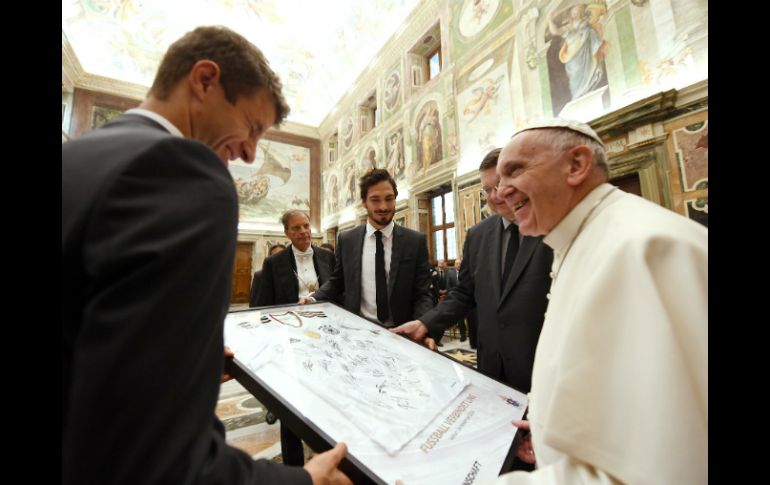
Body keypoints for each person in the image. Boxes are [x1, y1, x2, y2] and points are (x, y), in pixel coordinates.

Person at [63, 25, 351, 485]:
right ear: (204, 80)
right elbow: (164, 459)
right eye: (253, 128)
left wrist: (181, 356)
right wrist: (304, 480)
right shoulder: (184, 174)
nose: (250, 153)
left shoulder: (79, 157)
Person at [493, 118, 707, 484]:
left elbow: (664, 466)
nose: (501, 193)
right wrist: (548, 431)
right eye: (498, 181)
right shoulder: (581, 238)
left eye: (514, 171)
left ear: (576, 165)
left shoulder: (641, 248)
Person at [391, 147, 553, 472]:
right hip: (493, 372)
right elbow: (464, 292)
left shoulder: (551, 226)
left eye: (500, 186)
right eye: (487, 190)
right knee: (503, 459)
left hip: (544, 372)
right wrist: (426, 323)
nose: (495, 196)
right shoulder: (479, 236)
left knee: (547, 462)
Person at [301, 169, 433, 328]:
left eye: (389, 199)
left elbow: (422, 294)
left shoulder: (415, 241)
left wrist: (422, 326)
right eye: (375, 200)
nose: (383, 206)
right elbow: (337, 281)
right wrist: (314, 298)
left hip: (401, 332)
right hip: (358, 330)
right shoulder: (347, 239)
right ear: (364, 202)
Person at [255, 210, 336, 466]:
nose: (303, 231)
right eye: (297, 228)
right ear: (287, 233)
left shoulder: (327, 257)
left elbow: (338, 294)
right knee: (290, 409)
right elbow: (263, 307)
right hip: (289, 343)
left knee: (327, 404)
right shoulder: (274, 264)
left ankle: (329, 461)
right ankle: (294, 468)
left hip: (325, 342)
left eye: (306, 226)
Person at [548, 3, 608, 101]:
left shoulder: (588, 27)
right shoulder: (569, 28)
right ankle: (577, 96)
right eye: (575, 11)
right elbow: (554, 31)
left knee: (589, 75)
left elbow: (596, 40)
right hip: (573, 61)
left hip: (587, 57)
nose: (578, 13)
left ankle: (587, 90)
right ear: (571, 14)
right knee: (575, 82)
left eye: (580, 11)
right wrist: (549, 19)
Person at [249, 243, 285, 308]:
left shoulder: (292, 274)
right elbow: (255, 302)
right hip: (268, 313)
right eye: (276, 255)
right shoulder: (260, 275)